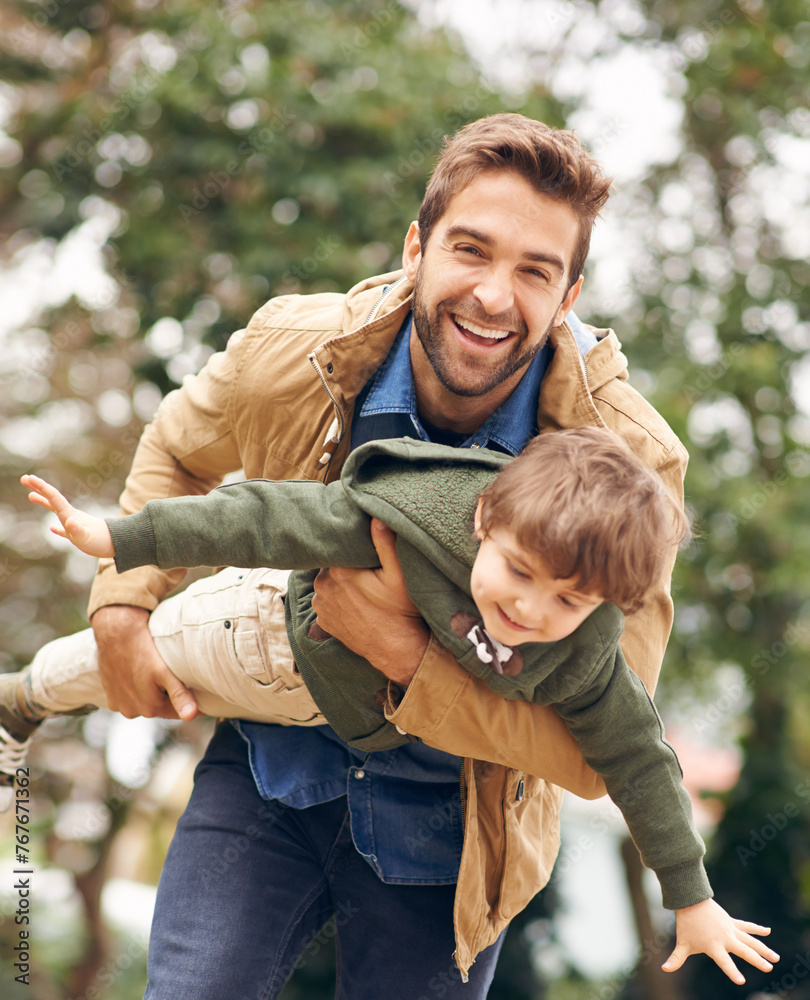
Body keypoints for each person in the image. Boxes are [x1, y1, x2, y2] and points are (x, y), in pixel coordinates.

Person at [4, 114, 770, 996]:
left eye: (534, 272)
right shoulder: (295, 351)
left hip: (459, 827)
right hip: (269, 760)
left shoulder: (632, 472)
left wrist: (403, 657)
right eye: (470, 250)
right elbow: (190, 461)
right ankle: (21, 701)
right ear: (417, 247)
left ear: (568, 298)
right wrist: (119, 608)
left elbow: (601, 748)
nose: (492, 294)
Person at [5, 427, 780, 983]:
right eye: (518, 570)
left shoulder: (585, 658)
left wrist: (692, 898)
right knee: (115, 670)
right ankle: (21, 702)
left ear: (605, 604)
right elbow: (266, 516)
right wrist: (121, 538)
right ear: (485, 523)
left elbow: (641, 762)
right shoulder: (418, 516)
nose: (531, 609)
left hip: (343, 709)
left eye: (569, 599)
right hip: (262, 637)